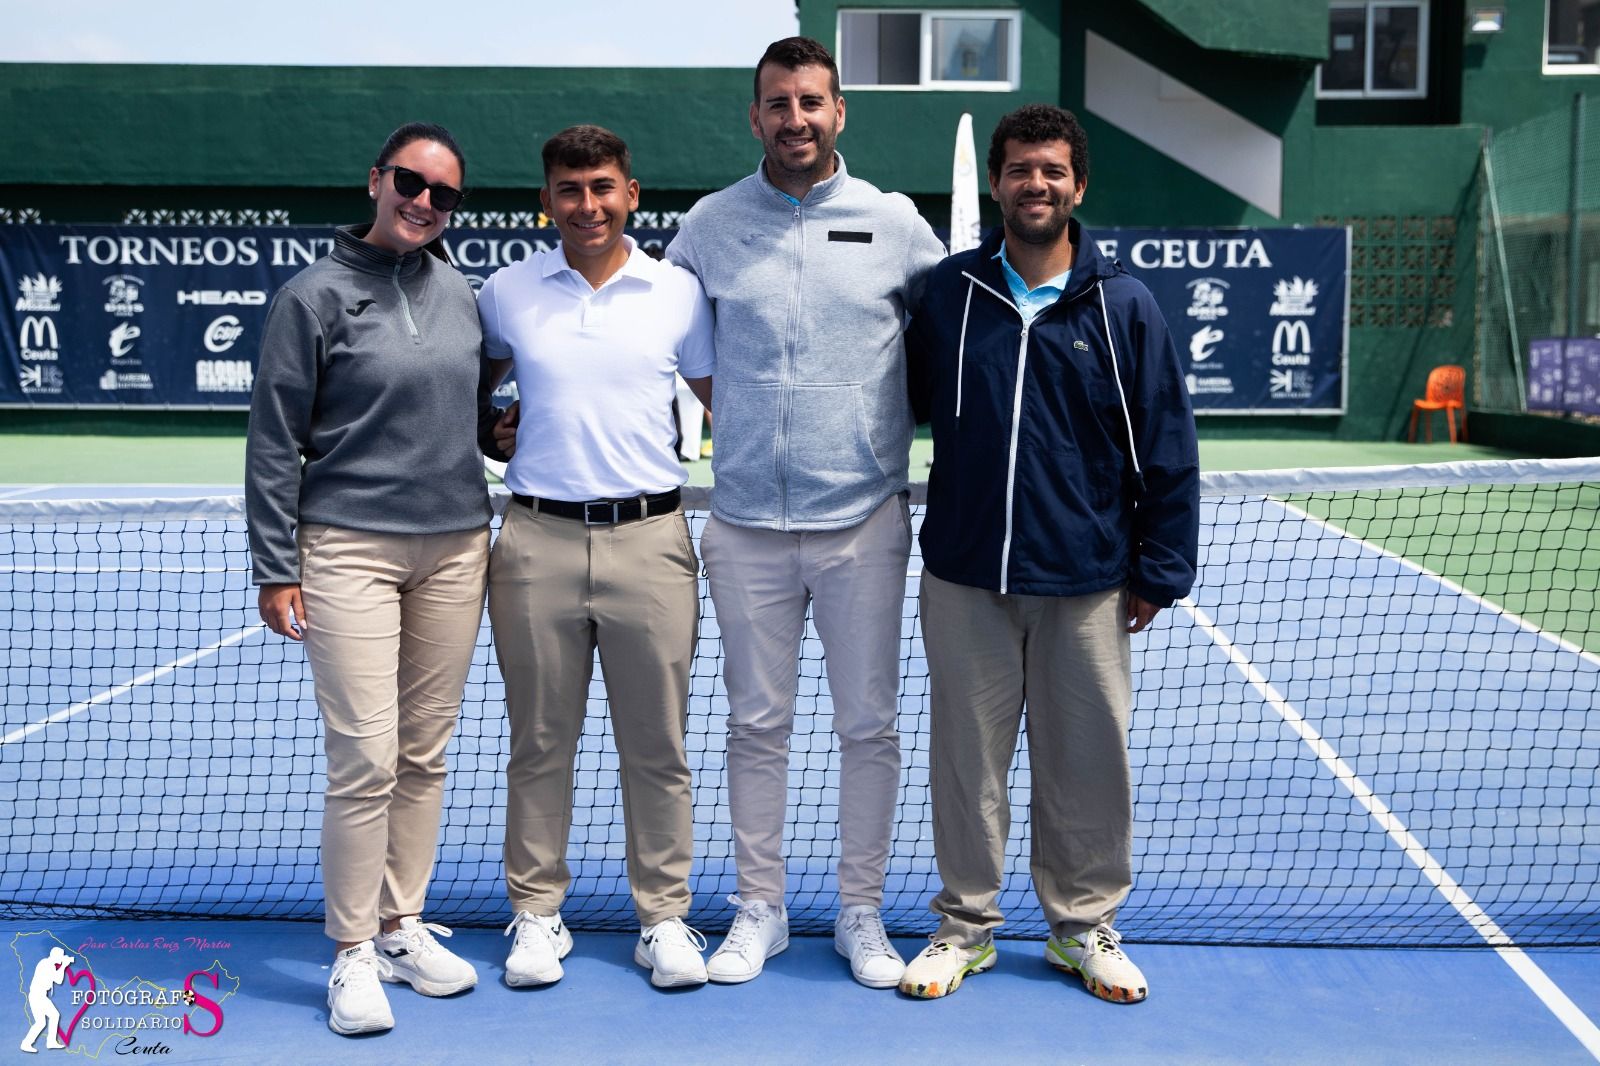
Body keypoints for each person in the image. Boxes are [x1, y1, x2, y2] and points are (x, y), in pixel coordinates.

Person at [898, 104, 1199, 1003]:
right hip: (965, 576)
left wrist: (1159, 567)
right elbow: (891, 407)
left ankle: (1083, 926)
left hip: (1089, 578)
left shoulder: (1123, 306)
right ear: (997, 183)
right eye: (1021, 169)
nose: (1037, 184)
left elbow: (1167, 442)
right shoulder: (948, 295)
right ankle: (965, 927)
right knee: (966, 763)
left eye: (1053, 171)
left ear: (1078, 185)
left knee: (1088, 761)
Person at [666, 36, 947, 988]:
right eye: (779, 104)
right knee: (756, 726)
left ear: (839, 114)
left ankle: (860, 913)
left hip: (864, 523)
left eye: (813, 102)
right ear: (755, 116)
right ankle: (760, 908)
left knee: (870, 727)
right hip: (743, 524)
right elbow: (678, 346)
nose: (797, 119)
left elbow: (948, 348)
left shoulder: (897, 223)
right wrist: (746, 423)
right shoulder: (709, 225)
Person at [246, 122, 492, 1035]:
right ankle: (350, 950)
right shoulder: (312, 298)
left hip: (459, 548)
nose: (424, 202)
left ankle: (401, 925)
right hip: (348, 549)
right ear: (376, 180)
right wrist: (277, 566)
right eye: (410, 181)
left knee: (425, 755)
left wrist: (495, 436)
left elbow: (466, 417)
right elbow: (275, 442)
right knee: (366, 758)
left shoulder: (463, 295)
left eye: (443, 193)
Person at [480, 126, 716, 989]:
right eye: (570, 190)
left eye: (603, 187)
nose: (587, 205)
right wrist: (488, 427)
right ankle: (537, 915)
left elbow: (723, 400)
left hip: (652, 542)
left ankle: (663, 918)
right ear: (547, 200)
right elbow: (468, 395)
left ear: (632, 194)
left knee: (658, 747)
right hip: (534, 541)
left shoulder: (679, 294)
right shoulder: (504, 294)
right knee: (540, 742)